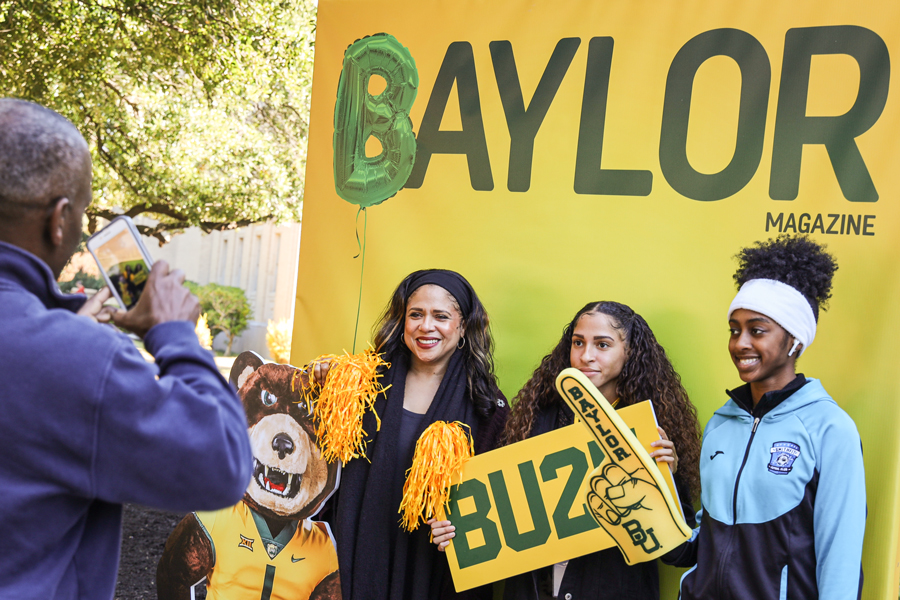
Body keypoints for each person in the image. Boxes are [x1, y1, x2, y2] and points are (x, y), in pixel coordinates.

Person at [0, 99, 253, 600]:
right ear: (59, 220)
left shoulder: (63, 346)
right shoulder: (76, 359)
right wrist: (176, 334)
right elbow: (221, 462)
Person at [431, 300, 703, 600]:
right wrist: (455, 528)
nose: (586, 356)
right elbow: (499, 517)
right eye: (578, 342)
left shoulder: (647, 435)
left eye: (602, 344)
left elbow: (680, 553)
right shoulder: (536, 420)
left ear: (630, 352)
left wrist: (667, 479)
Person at [664, 235, 866, 599]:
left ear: (795, 340)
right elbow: (702, 542)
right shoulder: (720, 424)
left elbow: (842, 558)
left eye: (757, 330)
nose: (740, 343)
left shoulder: (830, 429)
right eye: (734, 330)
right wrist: (656, 487)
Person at [321, 269, 509, 600]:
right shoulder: (360, 386)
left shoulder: (487, 409)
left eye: (441, 316)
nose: (426, 326)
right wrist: (319, 383)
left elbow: (497, 506)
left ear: (463, 326)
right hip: (354, 559)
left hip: (434, 572)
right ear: (402, 321)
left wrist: (460, 528)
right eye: (416, 315)